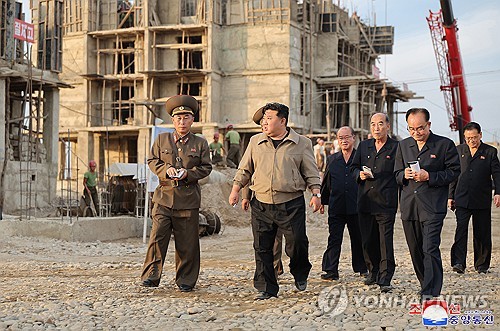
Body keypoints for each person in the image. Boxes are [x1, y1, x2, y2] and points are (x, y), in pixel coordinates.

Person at [228, 102, 321, 300]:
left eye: (269, 118)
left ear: (282, 121)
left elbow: (311, 172)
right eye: (263, 118)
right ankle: (266, 287)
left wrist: (316, 194)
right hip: (261, 202)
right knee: (262, 246)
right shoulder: (255, 141)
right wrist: (236, 190)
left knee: (297, 243)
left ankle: (300, 271)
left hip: (291, 203)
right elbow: (245, 169)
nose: (265, 122)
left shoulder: (302, 142)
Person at [141, 95, 212, 292]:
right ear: (172, 120)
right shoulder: (161, 139)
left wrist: (188, 173)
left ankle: (186, 280)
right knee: (157, 239)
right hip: (164, 197)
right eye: (178, 118)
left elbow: (206, 168)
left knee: (187, 243)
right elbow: (152, 160)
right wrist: (166, 170)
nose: (182, 121)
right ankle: (151, 276)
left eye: (187, 117)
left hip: (188, 200)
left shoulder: (200, 143)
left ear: (193, 120)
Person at [394, 108, 460, 300]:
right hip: (409, 206)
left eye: (420, 128)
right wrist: (403, 175)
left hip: (432, 206)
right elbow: (395, 173)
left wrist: (429, 176)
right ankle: (425, 283)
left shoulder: (444, 145)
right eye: (412, 129)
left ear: (429, 125)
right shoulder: (403, 146)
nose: (416, 132)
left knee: (430, 247)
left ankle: (431, 291)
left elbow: (454, 172)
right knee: (415, 249)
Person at [351, 113, 399, 293]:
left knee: (385, 241)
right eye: (373, 124)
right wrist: (359, 175)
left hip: (386, 202)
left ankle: (385, 277)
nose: (376, 128)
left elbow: (399, 172)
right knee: (368, 239)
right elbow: (353, 168)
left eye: (380, 124)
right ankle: (373, 271)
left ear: (388, 126)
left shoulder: (396, 147)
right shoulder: (364, 146)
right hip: (365, 200)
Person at [449, 122, 500, 274]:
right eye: (468, 138)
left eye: (474, 137)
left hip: (482, 198)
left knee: (482, 232)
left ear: (480, 135)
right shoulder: (458, 150)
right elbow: (453, 175)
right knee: (461, 231)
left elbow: (497, 174)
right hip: (462, 198)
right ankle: (458, 263)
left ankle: (482, 265)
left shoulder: (490, 151)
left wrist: (498, 192)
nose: (471, 141)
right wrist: (450, 196)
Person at [319, 126, 367, 281]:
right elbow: (327, 182)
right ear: (337, 141)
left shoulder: (361, 158)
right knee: (334, 238)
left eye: (347, 137)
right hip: (336, 205)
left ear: (354, 138)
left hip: (356, 206)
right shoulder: (333, 159)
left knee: (358, 238)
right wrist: (322, 201)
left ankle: (362, 268)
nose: (344, 141)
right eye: (341, 138)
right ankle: (331, 270)